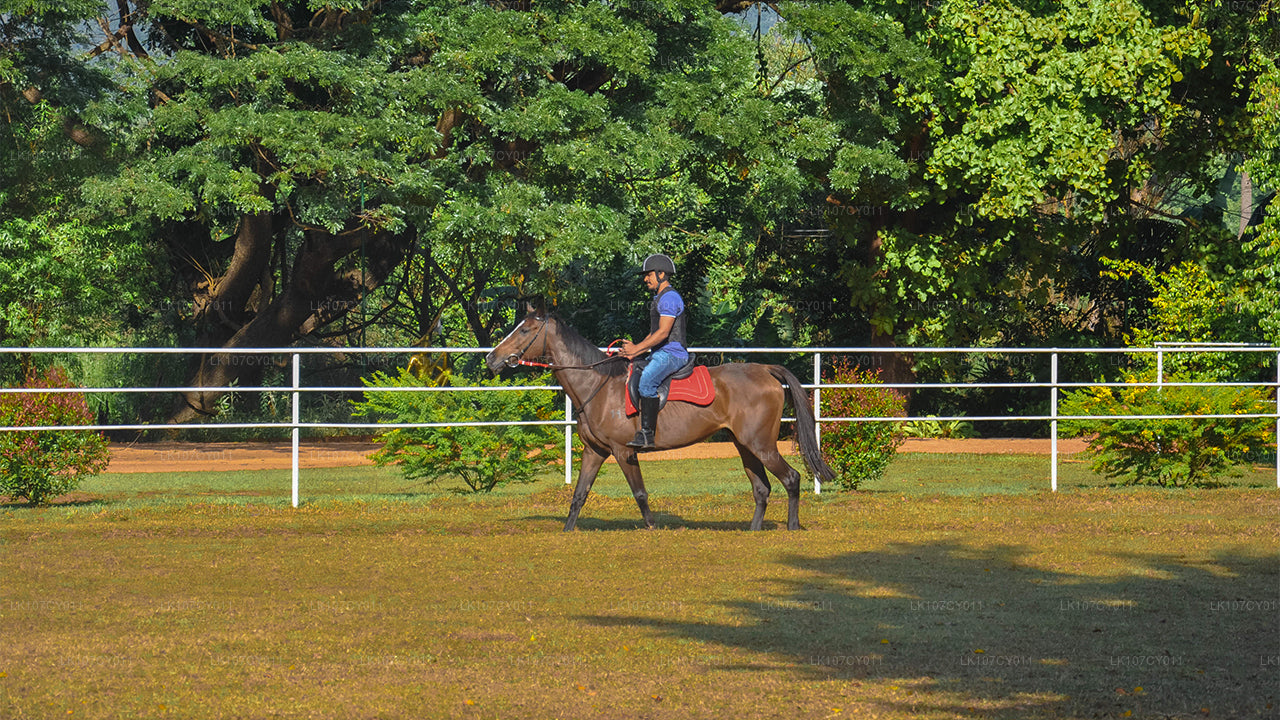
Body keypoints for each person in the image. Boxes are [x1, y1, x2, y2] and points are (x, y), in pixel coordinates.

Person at [621, 253, 688, 449]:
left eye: (648, 275)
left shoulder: (670, 298)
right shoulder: (660, 298)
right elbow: (654, 333)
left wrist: (636, 349)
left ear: (661, 274)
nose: (645, 279)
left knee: (647, 381)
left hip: (673, 354)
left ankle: (647, 434)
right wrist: (634, 351)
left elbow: (663, 333)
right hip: (660, 353)